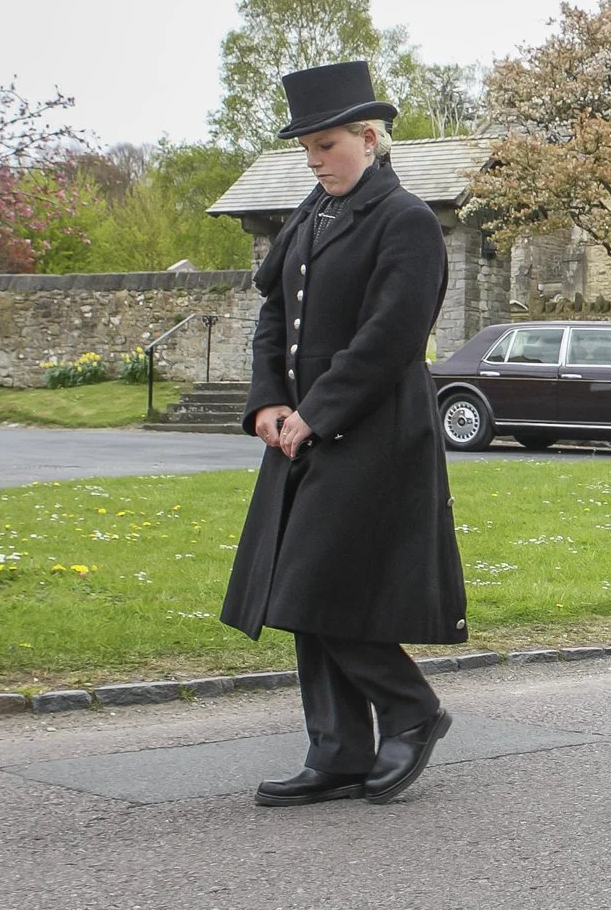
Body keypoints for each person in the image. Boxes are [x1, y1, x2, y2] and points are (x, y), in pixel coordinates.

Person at [221, 61, 468, 807]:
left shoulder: (407, 222)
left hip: (375, 434)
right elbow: (273, 315)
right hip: (301, 433)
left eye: (325, 144)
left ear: (369, 137)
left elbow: (389, 337)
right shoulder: (308, 215)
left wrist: (314, 412)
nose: (314, 158)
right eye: (307, 147)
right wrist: (267, 401)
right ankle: (337, 750)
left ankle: (411, 710)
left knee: (309, 585)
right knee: (298, 589)